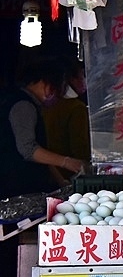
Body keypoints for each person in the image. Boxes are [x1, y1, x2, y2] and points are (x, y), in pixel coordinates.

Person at [0, 58, 86, 199]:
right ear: (46, 84)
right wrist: (67, 162)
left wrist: (61, 181)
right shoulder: (23, 106)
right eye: (57, 91)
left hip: (25, 186)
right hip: (16, 189)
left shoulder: (29, 104)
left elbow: (40, 152)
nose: (56, 98)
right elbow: (28, 150)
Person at [42, 58, 91, 178]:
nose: (84, 81)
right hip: (69, 172)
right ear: (71, 80)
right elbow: (79, 147)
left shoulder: (47, 105)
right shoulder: (76, 108)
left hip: (49, 170)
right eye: (82, 76)